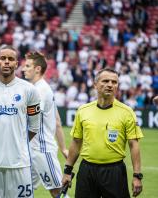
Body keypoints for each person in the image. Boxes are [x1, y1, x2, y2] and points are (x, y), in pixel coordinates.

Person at [62, 68, 144, 198]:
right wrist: (67, 171)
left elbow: (134, 145)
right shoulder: (83, 110)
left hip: (114, 172)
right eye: (105, 81)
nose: (110, 85)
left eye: (114, 82)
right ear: (95, 84)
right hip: (87, 171)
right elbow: (76, 142)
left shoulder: (127, 112)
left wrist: (137, 175)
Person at [0, 45, 41, 198]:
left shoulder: (29, 90)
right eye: (3, 58)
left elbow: (34, 125)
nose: (6, 62)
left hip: (19, 164)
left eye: (11, 59)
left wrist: (18, 143)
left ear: (16, 64)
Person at [22, 51, 68, 197]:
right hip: (33, 150)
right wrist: (63, 148)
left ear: (37, 69)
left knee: (57, 191)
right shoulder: (43, 88)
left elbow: (29, 116)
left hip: (42, 149)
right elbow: (58, 122)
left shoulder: (39, 90)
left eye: (27, 65)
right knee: (22, 191)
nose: (23, 69)